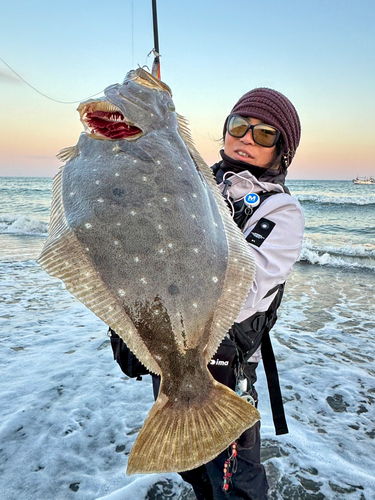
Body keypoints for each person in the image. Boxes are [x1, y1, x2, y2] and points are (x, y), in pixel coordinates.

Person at [109, 87, 304, 500]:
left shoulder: (281, 212)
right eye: (239, 127)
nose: (247, 139)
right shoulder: (192, 177)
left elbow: (247, 293)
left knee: (237, 481)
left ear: (281, 151)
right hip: (166, 345)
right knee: (191, 466)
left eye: (265, 134)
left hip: (223, 367)